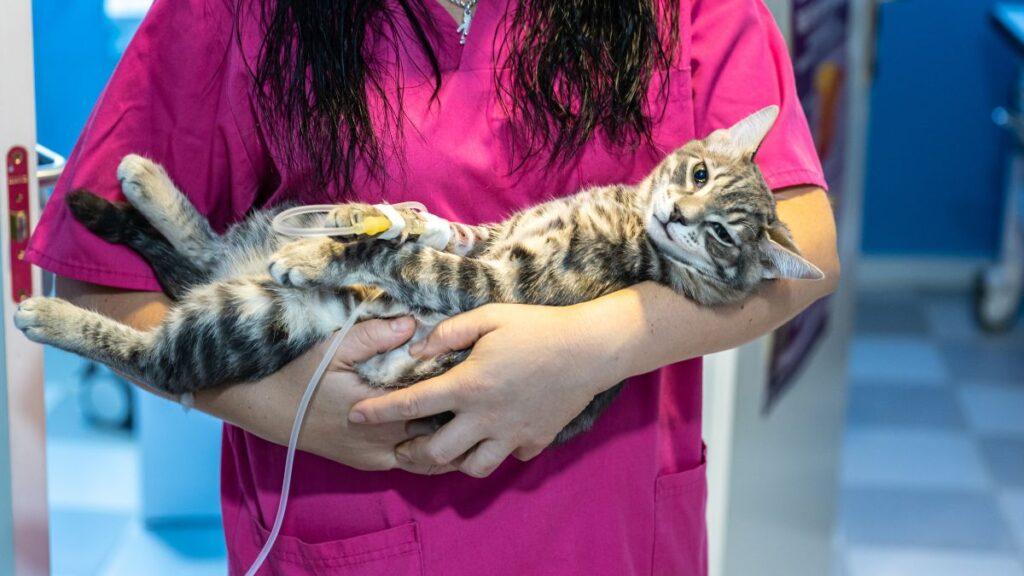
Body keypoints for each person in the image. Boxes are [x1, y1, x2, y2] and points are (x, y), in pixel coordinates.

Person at [27, 0, 839, 574]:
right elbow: (93, 274)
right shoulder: (242, 11)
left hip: (609, 529)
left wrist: (598, 345)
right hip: (351, 525)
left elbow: (806, 245)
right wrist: (280, 403)